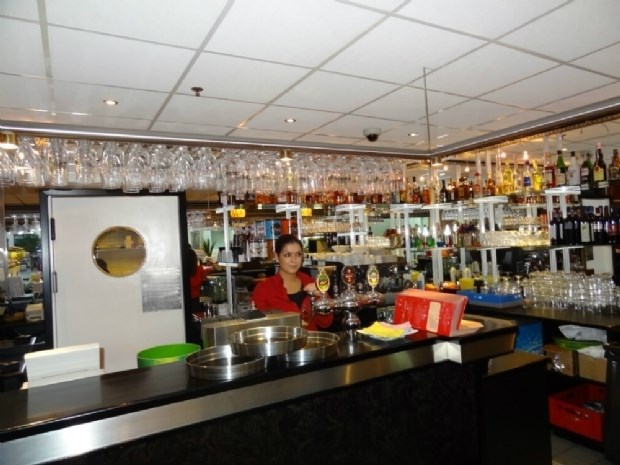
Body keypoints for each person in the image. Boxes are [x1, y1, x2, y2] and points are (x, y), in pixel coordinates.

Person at [252, 234, 332, 330]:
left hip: (311, 339)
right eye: (287, 255)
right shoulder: (264, 289)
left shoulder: (311, 283)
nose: (294, 260)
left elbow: (325, 323)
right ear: (277, 257)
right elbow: (259, 327)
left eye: (298, 254)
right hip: (281, 339)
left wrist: (323, 297)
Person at [185, 244, 207, 344]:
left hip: (185, 301)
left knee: (186, 324)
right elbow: (208, 271)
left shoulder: (182, 272)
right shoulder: (200, 270)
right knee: (196, 325)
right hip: (195, 302)